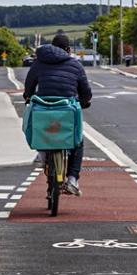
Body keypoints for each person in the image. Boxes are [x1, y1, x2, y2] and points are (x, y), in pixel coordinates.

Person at [23, 34, 92, 196]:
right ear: (68, 49)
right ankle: (73, 179)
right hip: (67, 108)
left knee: (35, 128)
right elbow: (86, 91)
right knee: (77, 141)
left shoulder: (39, 62)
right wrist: (84, 101)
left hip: (42, 106)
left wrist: (28, 96)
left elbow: (29, 86)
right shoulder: (75, 65)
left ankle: (42, 155)